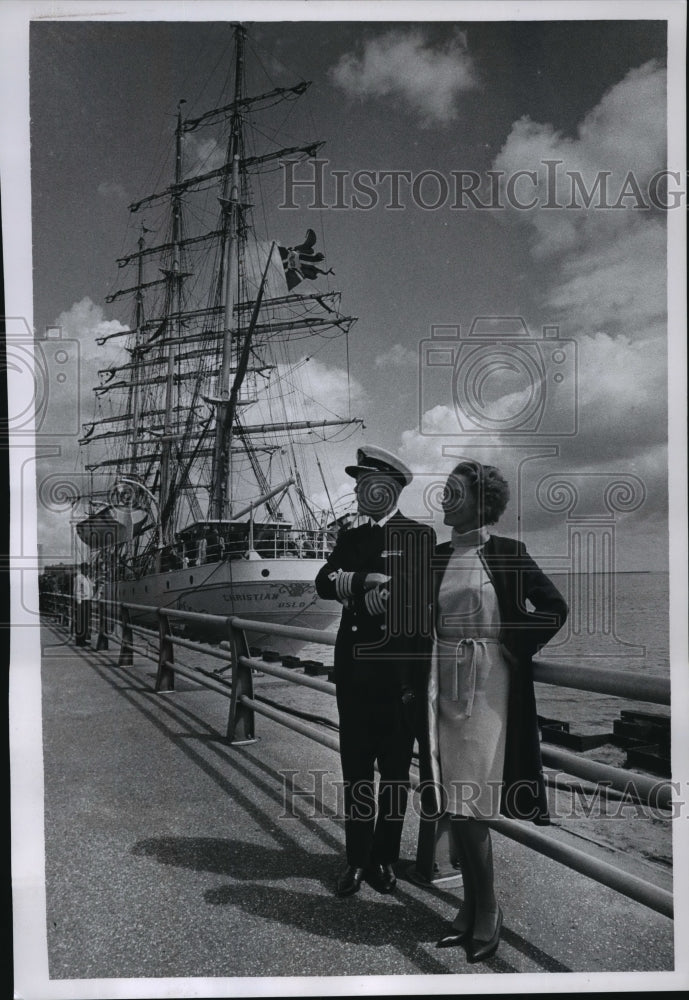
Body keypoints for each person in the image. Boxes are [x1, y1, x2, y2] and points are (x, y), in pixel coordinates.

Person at [428, 460, 567, 962]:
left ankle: (486, 910)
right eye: (444, 490)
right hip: (441, 686)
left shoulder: (508, 554)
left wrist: (513, 641)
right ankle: (471, 907)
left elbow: (554, 607)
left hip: (487, 689)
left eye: (454, 491)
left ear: (481, 503)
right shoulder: (436, 555)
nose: (445, 497)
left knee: (469, 802)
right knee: (456, 801)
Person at [315, 445, 436, 898]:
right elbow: (323, 582)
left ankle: (385, 858)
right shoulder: (350, 538)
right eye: (360, 483)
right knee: (357, 773)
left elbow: (422, 601)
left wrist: (391, 594)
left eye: (371, 483)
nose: (363, 491)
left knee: (394, 775)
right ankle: (356, 861)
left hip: (396, 679)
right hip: (355, 678)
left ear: (392, 488)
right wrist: (367, 581)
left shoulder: (418, 536)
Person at [73, 562, 94, 647]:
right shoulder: (79, 578)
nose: (88, 570)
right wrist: (79, 603)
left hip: (88, 601)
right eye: (86, 568)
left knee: (86, 621)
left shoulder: (87, 578)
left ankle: (83, 639)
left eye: (88, 568)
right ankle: (79, 641)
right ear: (82, 569)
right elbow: (77, 590)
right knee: (80, 622)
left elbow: (90, 589)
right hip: (82, 601)